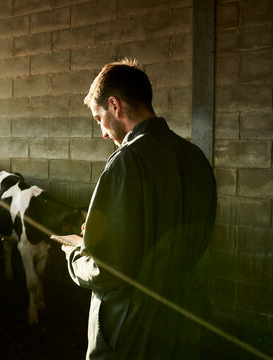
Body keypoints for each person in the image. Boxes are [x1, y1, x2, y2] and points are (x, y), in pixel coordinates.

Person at [60, 59, 217, 359]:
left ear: (115, 106)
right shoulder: (196, 158)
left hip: (132, 332)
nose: (104, 133)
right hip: (185, 322)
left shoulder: (126, 163)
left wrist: (75, 257)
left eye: (98, 119)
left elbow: (107, 268)